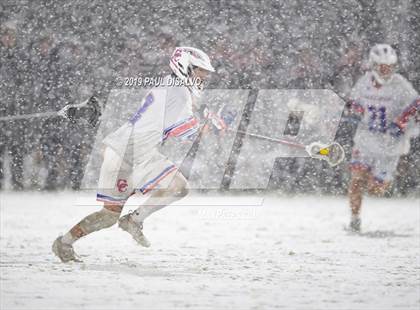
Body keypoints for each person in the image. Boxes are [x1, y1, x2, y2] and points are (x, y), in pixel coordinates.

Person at [52, 47, 215, 262]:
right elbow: (185, 133)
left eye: (206, 72)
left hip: (126, 150)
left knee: (109, 216)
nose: (204, 76)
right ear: (185, 66)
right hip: (132, 152)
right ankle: (133, 221)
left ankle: (64, 243)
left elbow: (173, 122)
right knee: (178, 187)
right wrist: (210, 126)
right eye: (200, 70)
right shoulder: (179, 91)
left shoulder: (170, 85)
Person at [347, 44, 419, 232]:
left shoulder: (401, 85)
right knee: (356, 180)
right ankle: (354, 219)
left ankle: (379, 177)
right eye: (382, 67)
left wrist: (401, 124)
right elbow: (354, 104)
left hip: (389, 145)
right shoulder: (363, 83)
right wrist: (354, 114)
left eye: (390, 67)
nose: (386, 71)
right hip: (366, 139)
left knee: (376, 189)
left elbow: (416, 106)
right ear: (373, 65)